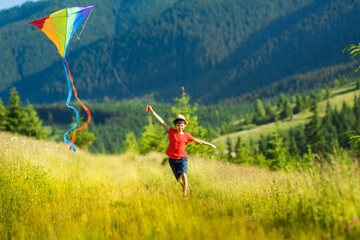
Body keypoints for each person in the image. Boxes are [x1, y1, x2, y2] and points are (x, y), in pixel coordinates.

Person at [147, 105, 216, 199]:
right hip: (172, 160)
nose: (180, 127)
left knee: (184, 175)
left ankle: (184, 196)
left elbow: (199, 141)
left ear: (185, 125)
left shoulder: (187, 135)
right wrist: (152, 111)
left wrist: (210, 144)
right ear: (175, 125)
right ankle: (184, 186)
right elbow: (161, 121)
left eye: (182, 125)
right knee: (178, 179)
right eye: (178, 125)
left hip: (182, 158)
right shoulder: (171, 131)